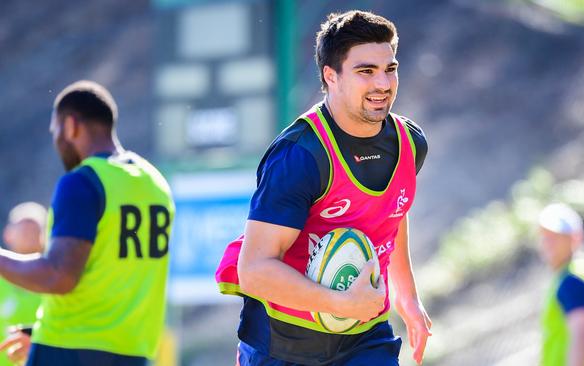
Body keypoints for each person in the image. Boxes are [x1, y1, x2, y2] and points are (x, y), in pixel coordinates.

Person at [216, 10, 431, 366]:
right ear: (331, 76)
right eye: (366, 71)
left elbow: (393, 211)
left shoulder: (411, 143)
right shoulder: (300, 156)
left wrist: (406, 296)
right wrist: (341, 303)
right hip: (283, 342)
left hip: (365, 336)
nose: (383, 83)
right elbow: (253, 270)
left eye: (389, 69)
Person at [0, 81, 174, 366]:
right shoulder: (155, 183)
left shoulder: (82, 181)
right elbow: (113, 275)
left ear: (70, 126)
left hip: (68, 349)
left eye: (55, 131)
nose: (56, 140)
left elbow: (58, 276)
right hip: (134, 352)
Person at [538, 203, 584, 366]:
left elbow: (581, 334)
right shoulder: (582, 272)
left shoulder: (572, 281)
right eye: (545, 237)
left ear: (574, 238)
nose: (548, 244)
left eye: (555, 237)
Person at [0, 202, 47, 365]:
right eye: (23, 229)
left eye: (35, 230)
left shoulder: (56, 281)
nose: (29, 235)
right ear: (8, 234)